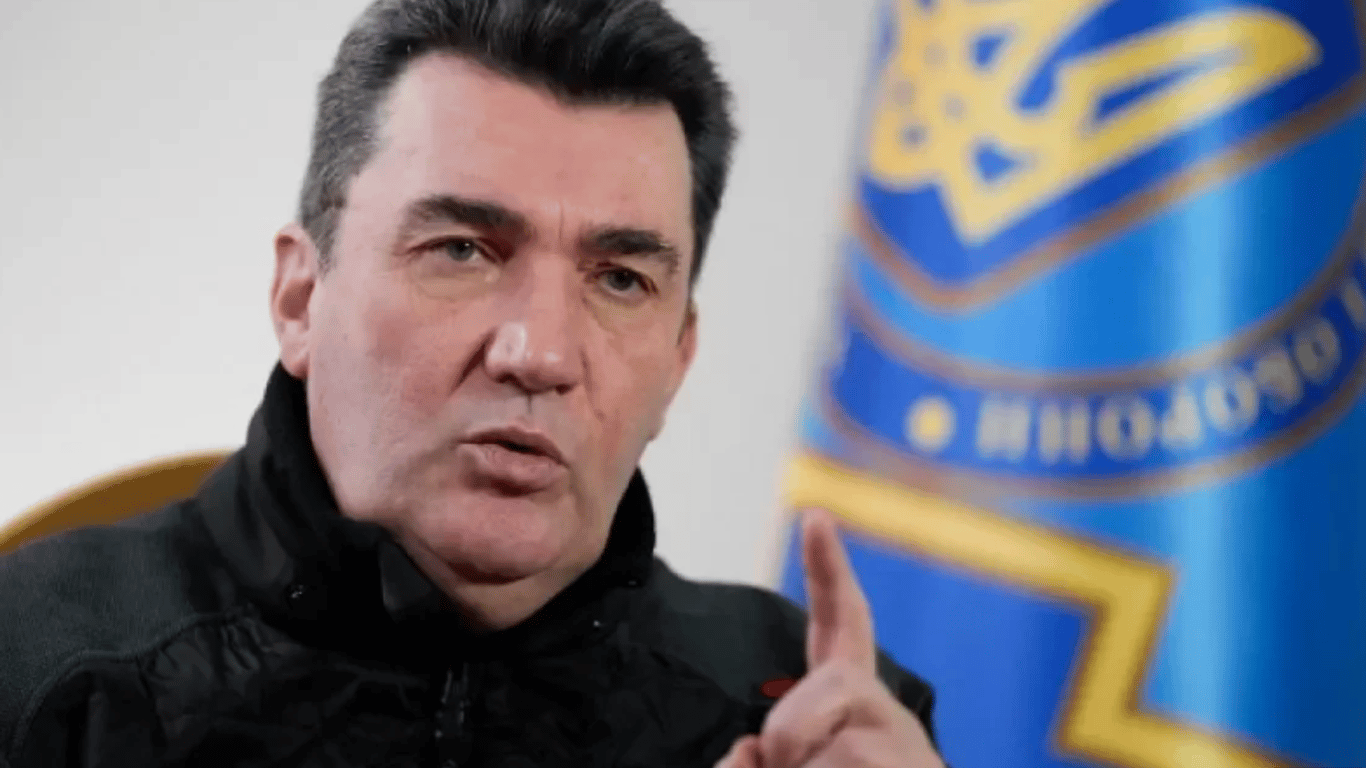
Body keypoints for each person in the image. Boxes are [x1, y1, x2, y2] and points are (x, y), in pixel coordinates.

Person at [0, 1, 946, 766]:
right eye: (462, 250)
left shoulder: (813, 716)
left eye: (621, 280)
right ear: (300, 298)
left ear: (677, 361)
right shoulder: (31, 669)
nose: (540, 354)